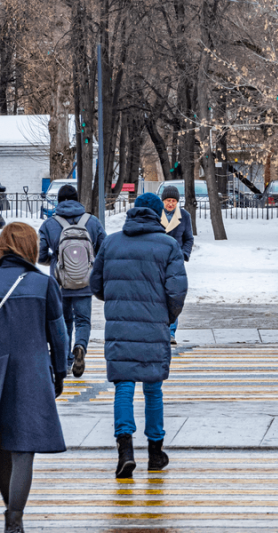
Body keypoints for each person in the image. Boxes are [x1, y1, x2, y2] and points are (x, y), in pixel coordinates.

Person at [0, 222, 68, 533]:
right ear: (31, 247)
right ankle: (14, 518)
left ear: (2, 246)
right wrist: (60, 371)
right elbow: (58, 335)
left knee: (2, 446)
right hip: (32, 371)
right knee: (24, 449)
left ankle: (10, 509)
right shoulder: (44, 285)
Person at [90, 193, 188, 479]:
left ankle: (125, 451)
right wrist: (166, 317)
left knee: (123, 387)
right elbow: (177, 291)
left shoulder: (111, 242)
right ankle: (156, 453)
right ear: (158, 215)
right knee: (153, 388)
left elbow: (96, 283)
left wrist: (116, 300)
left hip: (120, 327)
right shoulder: (168, 245)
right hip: (154, 326)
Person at [38, 184, 106, 376]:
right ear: (77, 200)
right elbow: (104, 249)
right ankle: (81, 347)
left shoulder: (49, 224)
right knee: (83, 321)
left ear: (58, 201)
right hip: (85, 282)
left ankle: (66, 361)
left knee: (64, 321)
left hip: (60, 282)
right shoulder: (92, 222)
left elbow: (39, 253)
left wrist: (54, 261)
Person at [159, 186, 194, 345]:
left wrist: (183, 255)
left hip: (175, 263)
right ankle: (160, 331)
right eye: (168, 201)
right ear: (163, 201)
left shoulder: (184, 216)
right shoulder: (155, 214)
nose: (171, 204)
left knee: (174, 297)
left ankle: (171, 333)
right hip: (157, 261)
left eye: (173, 201)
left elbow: (189, 239)